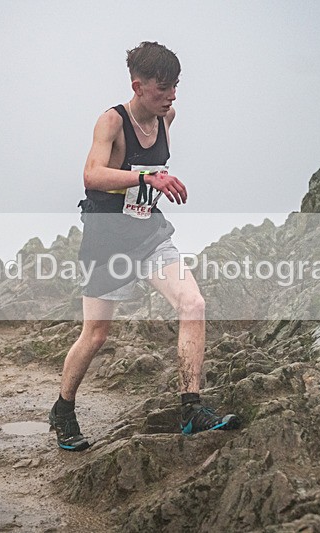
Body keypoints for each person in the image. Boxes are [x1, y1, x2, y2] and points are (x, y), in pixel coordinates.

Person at [48, 41, 239, 451]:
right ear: (138, 85)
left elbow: (153, 158)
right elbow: (91, 175)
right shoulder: (111, 122)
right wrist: (147, 179)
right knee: (96, 335)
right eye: (163, 88)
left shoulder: (167, 117)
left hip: (150, 236)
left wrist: (152, 183)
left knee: (194, 304)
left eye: (176, 86)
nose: (171, 96)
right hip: (107, 243)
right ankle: (63, 409)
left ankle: (191, 408)